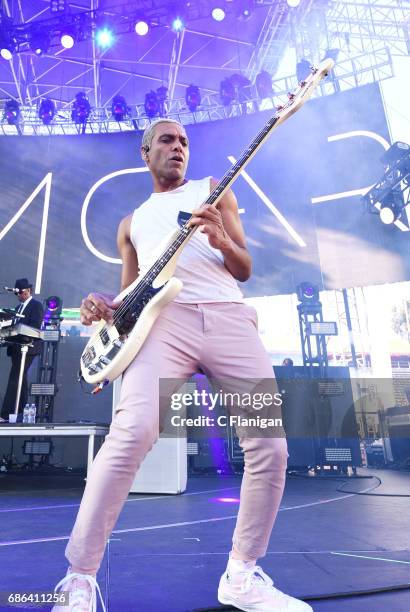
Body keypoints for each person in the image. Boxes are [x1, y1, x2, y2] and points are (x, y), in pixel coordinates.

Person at [52, 119, 312, 612]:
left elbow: (244, 268)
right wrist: (104, 303)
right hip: (163, 325)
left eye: (185, 142)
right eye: (168, 140)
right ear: (146, 151)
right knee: (131, 435)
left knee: (270, 444)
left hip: (229, 318)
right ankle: (80, 578)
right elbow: (130, 296)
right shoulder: (131, 223)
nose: (179, 148)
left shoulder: (214, 191)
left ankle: (241, 574)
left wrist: (220, 237)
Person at [0, 278, 43, 422]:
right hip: (17, 348)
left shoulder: (36, 306)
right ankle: (20, 412)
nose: (19, 296)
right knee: (20, 379)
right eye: (17, 293)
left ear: (28, 291)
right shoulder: (18, 308)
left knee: (15, 377)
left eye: (21, 293)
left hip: (28, 347)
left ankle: (6, 414)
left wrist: (20, 332)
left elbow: (35, 326)